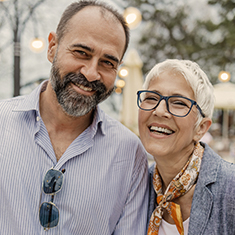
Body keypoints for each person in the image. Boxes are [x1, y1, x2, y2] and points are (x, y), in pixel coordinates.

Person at [0, 1, 149, 234]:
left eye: (107, 63)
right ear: (52, 47)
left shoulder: (129, 154)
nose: (91, 73)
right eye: (81, 52)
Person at [137, 59, 235, 235]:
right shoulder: (137, 185)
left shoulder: (230, 188)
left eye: (179, 102)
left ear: (201, 128)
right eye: (151, 98)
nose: (159, 111)